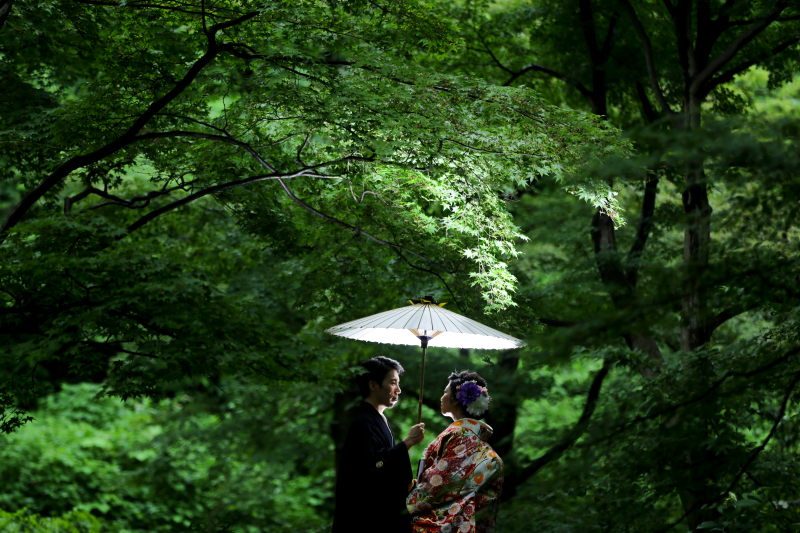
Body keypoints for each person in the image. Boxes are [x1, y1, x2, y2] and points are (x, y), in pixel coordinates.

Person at [332, 356, 426, 533]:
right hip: (365, 519)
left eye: (398, 383)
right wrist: (408, 442)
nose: (398, 390)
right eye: (393, 383)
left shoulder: (376, 418)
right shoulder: (364, 422)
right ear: (373, 385)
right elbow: (373, 468)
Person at [406, 370, 504, 533]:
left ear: (457, 400)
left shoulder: (462, 437)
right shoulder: (472, 438)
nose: (441, 397)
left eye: (445, 393)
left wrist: (411, 489)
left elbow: (438, 483)